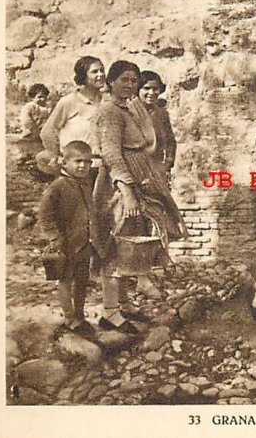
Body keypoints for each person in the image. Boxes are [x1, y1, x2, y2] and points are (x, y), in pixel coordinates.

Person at [93, 60, 188, 331]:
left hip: (138, 180)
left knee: (130, 248)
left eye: (133, 80)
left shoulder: (128, 109)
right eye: (124, 79)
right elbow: (111, 154)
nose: (130, 85)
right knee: (116, 246)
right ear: (110, 81)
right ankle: (110, 312)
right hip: (119, 186)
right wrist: (127, 192)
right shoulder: (110, 111)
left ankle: (123, 305)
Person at [38, 141, 111, 336]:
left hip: (83, 244)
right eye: (78, 161)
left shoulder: (85, 185)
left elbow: (90, 212)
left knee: (81, 280)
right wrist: (54, 238)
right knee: (65, 280)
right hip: (66, 244)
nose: (83, 166)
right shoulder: (57, 187)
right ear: (65, 162)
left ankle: (80, 315)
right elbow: (45, 217)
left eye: (87, 162)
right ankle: (70, 318)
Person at [39, 56, 107, 178]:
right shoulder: (69, 101)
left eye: (102, 70)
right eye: (95, 71)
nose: (101, 74)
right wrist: (55, 156)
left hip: (101, 168)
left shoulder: (107, 102)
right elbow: (48, 132)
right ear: (83, 76)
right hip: (73, 170)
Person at [138, 71, 177, 180]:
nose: (151, 92)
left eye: (155, 89)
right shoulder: (130, 111)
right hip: (136, 169)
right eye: (146, 88)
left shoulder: (161, 113)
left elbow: (170, 141)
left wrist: (167, 164)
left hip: (157, 168)